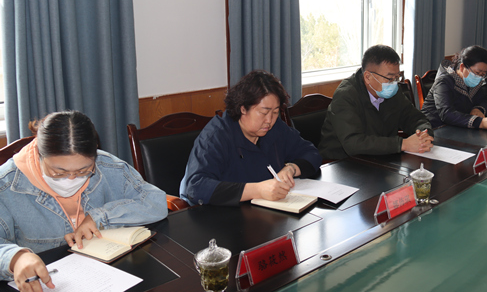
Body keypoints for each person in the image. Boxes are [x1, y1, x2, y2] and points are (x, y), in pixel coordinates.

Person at [0, 111, 168, 289]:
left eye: (84, 171)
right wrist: (16, 258)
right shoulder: (6, 185)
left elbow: (155, 202)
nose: (71, 179)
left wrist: (99, 217)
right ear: (39, 154)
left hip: (107, 277)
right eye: (59, 173)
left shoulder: (108, 166)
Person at [180, 70, 322, 207]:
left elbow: (312, 153)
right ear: (243, 108)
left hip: (266, 212)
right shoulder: (216, 136)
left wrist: (291, 169)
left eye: (275, 112)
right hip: (221, 215)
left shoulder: (275, 128)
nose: (269, 120)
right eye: (264, 112)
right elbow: (196, 187)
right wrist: (257, 190)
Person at [319, 45, 433, 162]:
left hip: (380, 158)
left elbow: (414, 117)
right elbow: (353, 143)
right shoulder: (346, 96)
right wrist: (401, 144)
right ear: (368, 77)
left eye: (397, 77)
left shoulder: (392, 91)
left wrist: (424, 134)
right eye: (389, 78)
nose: (394, 83)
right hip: (341, 163)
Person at [422, 46, 487, 130]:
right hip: (435, 128)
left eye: (483, 74)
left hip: (459, 128)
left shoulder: (473, 82)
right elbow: (446, 114)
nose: (479, 77)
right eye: (477, 72)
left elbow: (483, 100)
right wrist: (479, 122)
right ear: (462, 67)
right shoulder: (443, 82)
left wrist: (478, 109)